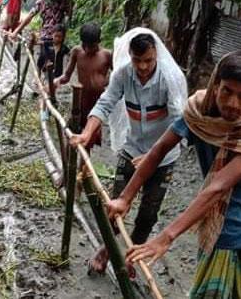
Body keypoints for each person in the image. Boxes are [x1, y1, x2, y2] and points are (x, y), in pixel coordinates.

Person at [111, 50, 241, 299]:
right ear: (215, 86)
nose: (233, 103)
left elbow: (218, 187)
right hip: (216, 212)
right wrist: (125, 198)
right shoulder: (199, 112)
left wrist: (166, 237)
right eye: (227, 91)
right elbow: (158, 151)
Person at [69, 27, 188, 274]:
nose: (143, 67)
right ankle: (106, 249)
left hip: (164, 157)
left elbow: (180, 122)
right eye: (137, 60)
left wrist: (154, 155)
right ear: (130, 57)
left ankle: (132, 256)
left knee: (148, 213)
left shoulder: (170, 79)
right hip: (132, 148)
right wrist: (87, 133)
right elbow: (106, 102)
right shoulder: (123, 74)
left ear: (157, 56)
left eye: (148, 61)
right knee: (115, 204)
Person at [54, 23, 112, 149]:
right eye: (84, 45)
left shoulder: (106, 55)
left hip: (97, 103)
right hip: (80, 100)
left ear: (98, 42)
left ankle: (84, 165)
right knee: (73, 132)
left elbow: (117, 77)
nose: (86, 49)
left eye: (90, 46)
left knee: (90, 138)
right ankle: (73, 163)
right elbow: (66, 76)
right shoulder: (77, 52)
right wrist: (57, 81)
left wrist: (105, 81)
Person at [10, 0, 71, 73]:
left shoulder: (63, 1)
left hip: (58, 35)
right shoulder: (41, 3)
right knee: (43, 55)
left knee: (58, 59)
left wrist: (69, 10)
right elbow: (30, 16)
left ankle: (53, 79)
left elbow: (68, 17)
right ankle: (39, 76)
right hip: (45, 35)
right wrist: (16, 31)